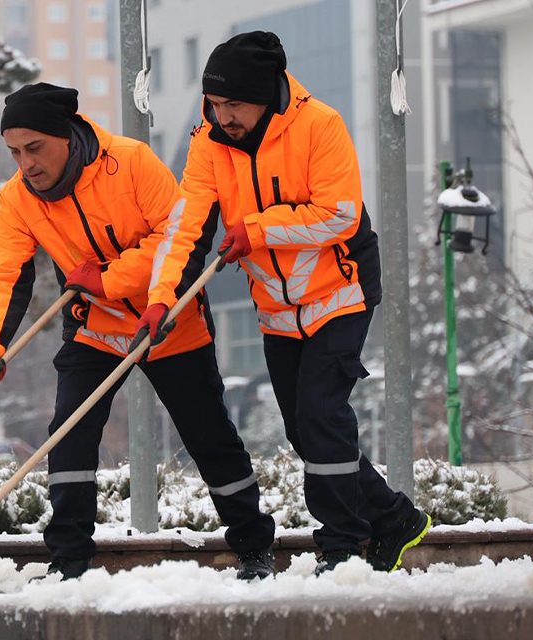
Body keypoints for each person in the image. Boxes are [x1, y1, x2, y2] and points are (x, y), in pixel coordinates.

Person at [140, 31, 431, 575]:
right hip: (276, 306)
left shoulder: (320, 125)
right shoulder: (208, 141)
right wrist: (161, 297)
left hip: (339, 294)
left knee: (322, 415)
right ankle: (394, 517)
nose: (222, 115)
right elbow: (184, 228)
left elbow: (340, 214)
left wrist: (256, 229)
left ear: (267, 95)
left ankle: (342, 547)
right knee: (304, 429)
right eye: (215, 103)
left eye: (234, 105)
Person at [0, 83, 276, 581]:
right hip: (95, 329)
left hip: (167, 321)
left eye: (34, 148)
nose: (25, 164)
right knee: (68, 434)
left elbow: (179, 236)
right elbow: (3, 272)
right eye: (14, 153)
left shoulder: (131, 162)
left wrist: (110, 279)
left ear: (66, 136)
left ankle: (255, 546)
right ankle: (68, 558)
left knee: (208, 436)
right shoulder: (17, 199)